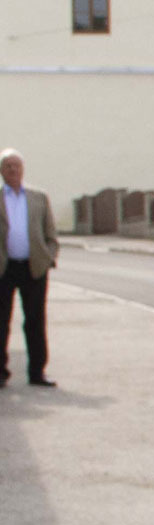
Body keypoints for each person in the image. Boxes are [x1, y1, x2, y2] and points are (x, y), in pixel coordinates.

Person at [0, 148, 58, 388]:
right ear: (1, 171)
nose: (13, 170)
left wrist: (49, 257)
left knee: (35, 320)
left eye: (16, 166)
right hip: (4, 268)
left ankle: (37, 372)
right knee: (1, 320)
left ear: (23, 169)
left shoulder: (38, 197)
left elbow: (50, 233)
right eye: (8, 166)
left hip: (33, 267)